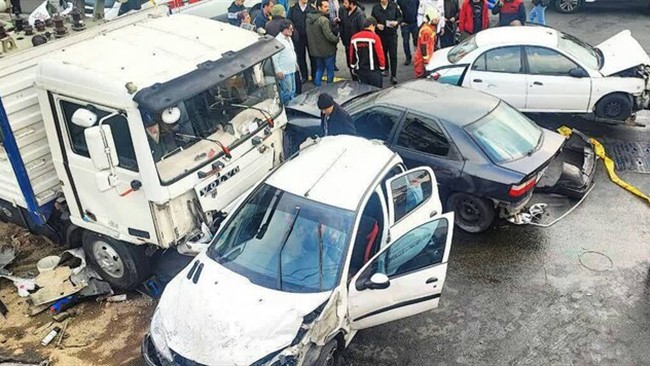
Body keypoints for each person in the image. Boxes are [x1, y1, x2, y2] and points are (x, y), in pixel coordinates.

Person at [306, 0, 340, 87]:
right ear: (319, 7)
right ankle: (329, 88)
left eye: (327, 6)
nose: (327, 8)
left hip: (316, 51)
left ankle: (317, 87)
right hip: (327, 50)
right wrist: (336, 39)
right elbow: (329, 36)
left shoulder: (308, 19)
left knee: (320, 69)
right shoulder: (323, 20)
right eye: (325, 7)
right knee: (330, 70)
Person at [371, 0, 402, 85]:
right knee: (383, 53)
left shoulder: (394, 6)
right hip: (381, 35)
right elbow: (372, 19)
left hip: (392, 35)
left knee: (393, 55)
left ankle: (394, 75)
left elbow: (400, 17)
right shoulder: (375, 7)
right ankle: (386, 68)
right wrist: (377, 25)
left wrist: (396, 22)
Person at [349, 17, 386, 88]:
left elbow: (352, 55)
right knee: (376, 92)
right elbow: (380, 54)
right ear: (372, 25)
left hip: (361, 70)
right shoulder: (375, 37)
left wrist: (353, 66)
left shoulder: (354, 37)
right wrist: (382, 67)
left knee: (364, 92)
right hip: (374, 71)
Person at [289, 0, 317, 84]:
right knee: (301, 57)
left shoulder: (312, 8)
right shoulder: (293, 9)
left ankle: (314, 75)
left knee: (313, 57)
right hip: (299, 38)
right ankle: (304, 76)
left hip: (310, 37)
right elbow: (290, 22)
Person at [272, 21, 298, 104]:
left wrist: (295, 64)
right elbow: (274, 57)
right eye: (290, 29)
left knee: (293, 90)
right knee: (287, 92)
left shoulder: (289, 38)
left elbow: (292, 52)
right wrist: (278, 70)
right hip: (284, 71)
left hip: (292, 69)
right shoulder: (278, 41)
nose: (292, 30)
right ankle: (282, 106)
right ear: (285, 30)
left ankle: (291, 106)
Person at [338, 0, 365, 80]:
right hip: (347, 43)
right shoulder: (345, 11)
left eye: (346, 3)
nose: (343, 5)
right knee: (350, 63)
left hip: (357, 46)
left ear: (352, 4)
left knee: (357, 64)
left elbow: (362, 31)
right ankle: (354, 78)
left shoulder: (360, 15)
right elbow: (343, 24)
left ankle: (359, 80)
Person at [413, 7, 439, 78]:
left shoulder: (429, 27)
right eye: (435, 19)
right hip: (421, 60)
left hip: (424, 58)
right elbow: (423, 47)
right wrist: (426, 60)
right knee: (421, 79)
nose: (437, 21)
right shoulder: (426, 31)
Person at [396, 0, 419, 66]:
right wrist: (400, 22)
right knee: (405, 42)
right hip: (405, 24)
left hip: (414, 23)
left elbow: (418, 9)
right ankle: (408, 58)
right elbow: (397, 12)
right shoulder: (399, 1)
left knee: (416, 41)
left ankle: (417, 57)